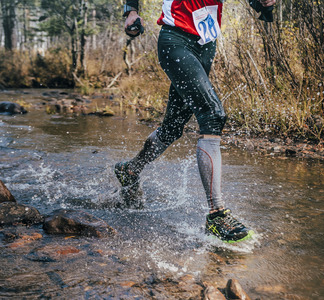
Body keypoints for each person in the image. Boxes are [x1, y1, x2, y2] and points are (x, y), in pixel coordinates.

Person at [115, 0, 276, 243]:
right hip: (175, 41)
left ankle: (130, 169)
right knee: (212, 114)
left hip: (206, 45)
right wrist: (131, 11)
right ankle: (217, 215)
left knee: (172, 128)